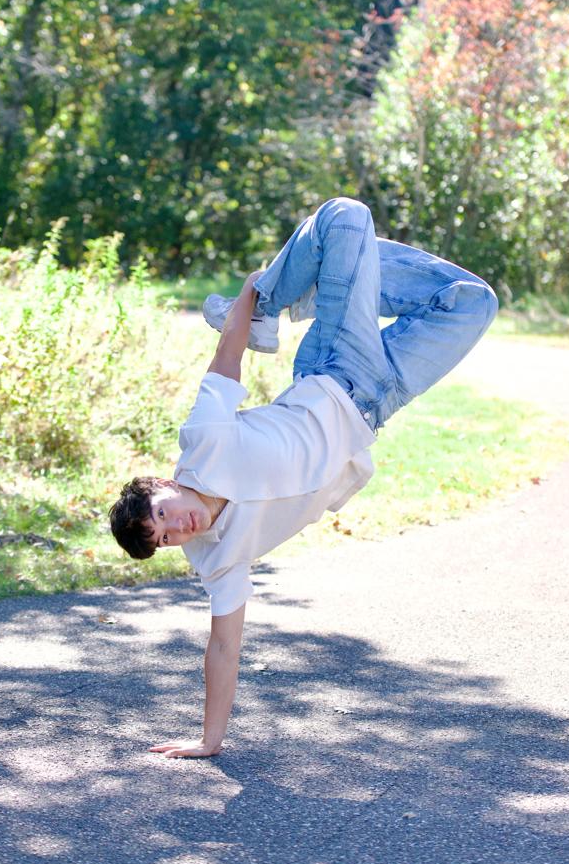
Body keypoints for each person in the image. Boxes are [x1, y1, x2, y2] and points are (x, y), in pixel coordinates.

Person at [109, 197, 498, 758]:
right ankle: (326, 279)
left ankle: (283, 294)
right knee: (470, 303)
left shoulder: (204, 440)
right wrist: (208, 741)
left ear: (163, 486)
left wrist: (251, 297)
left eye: (164, 514)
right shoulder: (218, 559)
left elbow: (228, 354)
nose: (179, 527)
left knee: (345, 217)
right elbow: (222, 648)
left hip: (337, 367)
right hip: (378, 403)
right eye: (167, 538)